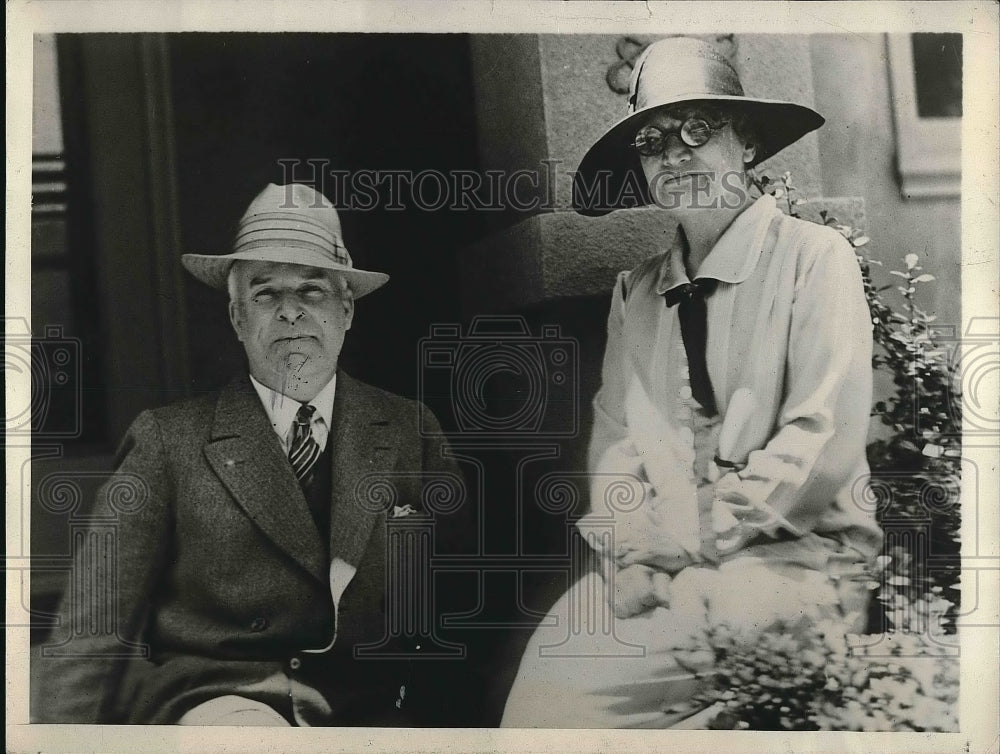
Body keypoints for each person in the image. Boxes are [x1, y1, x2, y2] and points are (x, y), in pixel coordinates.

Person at [502, 37, 882, 728]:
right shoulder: (638, 294)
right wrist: (631, 550)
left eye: (698, 130)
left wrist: (691, 537)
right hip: (662, 566)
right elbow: (616, 441)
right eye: (652, 140)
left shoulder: (814, 261)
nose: (674, 154)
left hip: (795, 560)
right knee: (544, 682)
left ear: (746, 142)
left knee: (593, 698)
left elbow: (819, 441)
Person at [33, 183, 470, 726]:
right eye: (265, 295)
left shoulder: (410, 431)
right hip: (222, 702)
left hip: (369, 712)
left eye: (311, 291)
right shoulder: (166, 443)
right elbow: (91, 628)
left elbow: (456, 606)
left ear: (347, 309)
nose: (290, 313)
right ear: (238, 319)